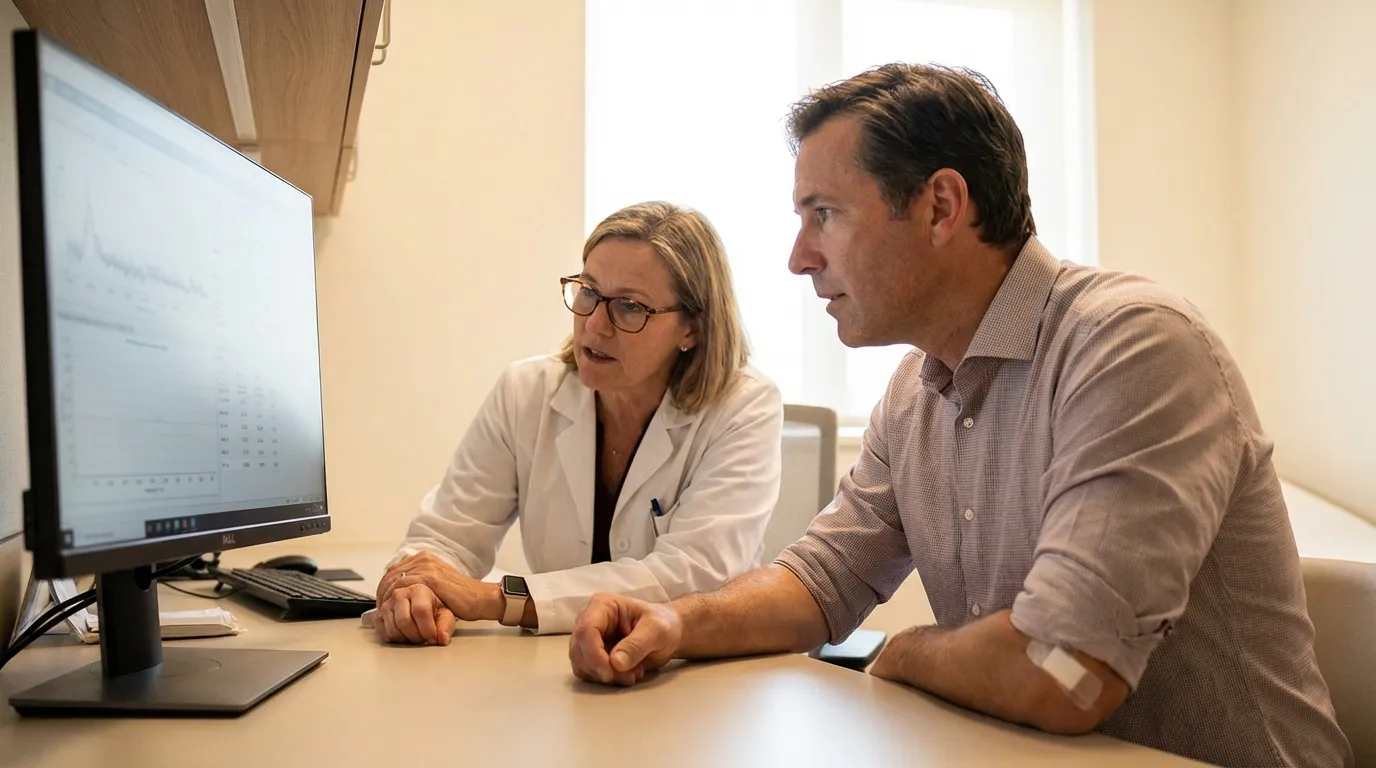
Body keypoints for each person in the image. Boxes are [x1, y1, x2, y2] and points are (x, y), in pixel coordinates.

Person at [567, 65, 1354, 767]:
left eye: (824, 214)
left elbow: (1061, 673)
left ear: (941, 204)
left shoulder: (1134, 345)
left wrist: (904, 653)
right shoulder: (916, 390)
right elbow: (819, 581)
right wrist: (672, 623)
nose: (799, 257)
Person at [376, 201, 783, 642]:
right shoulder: (526, 392)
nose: (593, 324)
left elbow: (693, 574)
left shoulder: (743, 407)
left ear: (692, 329)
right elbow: (449, 534)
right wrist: (417, 589)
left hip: (694, 675)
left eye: (629, 307)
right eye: (588, 292)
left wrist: (497, 599)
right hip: (560, 671)